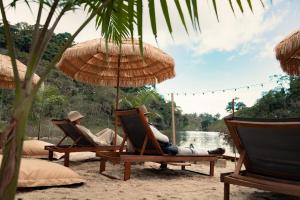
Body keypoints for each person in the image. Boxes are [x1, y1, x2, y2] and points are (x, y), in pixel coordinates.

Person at [138, 105, 225, 156]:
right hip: (165, 150)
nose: (147, 117)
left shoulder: (137, 127)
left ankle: (208, 151)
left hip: (149, 150)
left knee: (186, 148)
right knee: (191, 151)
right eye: (146, 116)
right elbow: (166, 139)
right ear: (143, 117)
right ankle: (209, 152)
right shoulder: (148, 127)